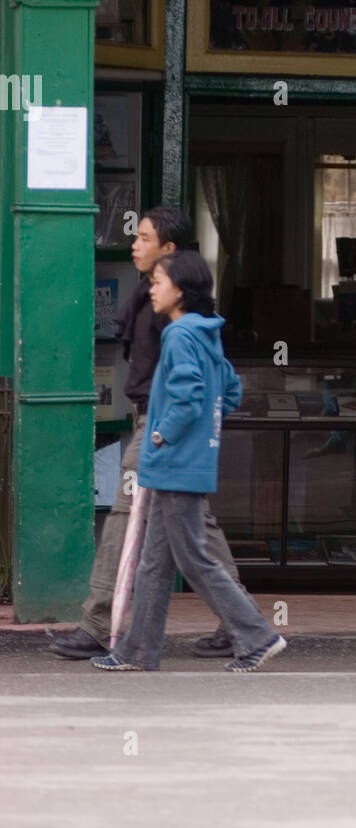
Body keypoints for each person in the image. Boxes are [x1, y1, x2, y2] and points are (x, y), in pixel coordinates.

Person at [49, 207, 242, 660]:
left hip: (158, 426)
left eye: (144, 238)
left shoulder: (173, 311)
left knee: (124, 516)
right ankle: (241, 623)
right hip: (156, 422)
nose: (134, 245)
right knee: (195, 526)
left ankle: (99, 625)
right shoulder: (151, 297)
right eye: (135, 237)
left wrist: (167, 429)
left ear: (169, 249)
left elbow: (209, 376)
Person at [93, 251, 286, 673]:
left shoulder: (180, 334)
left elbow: (188, 396)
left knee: (195, 560)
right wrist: (201, 434)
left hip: (174, 463)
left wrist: (161, 435)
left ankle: (257, 636)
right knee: (154, 565)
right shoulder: (205, 333)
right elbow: (230, 390)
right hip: (185, 462)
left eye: (159, 281)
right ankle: (136, 651)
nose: (152, 289)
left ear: (180, 291)